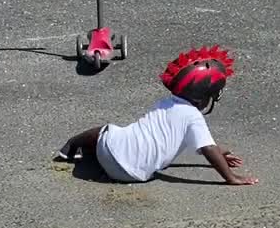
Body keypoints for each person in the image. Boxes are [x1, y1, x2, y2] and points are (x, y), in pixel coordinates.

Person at [61, 46, 257, 186]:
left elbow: (208, 147)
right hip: (133, 175)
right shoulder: (193, 117)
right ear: (206, 96)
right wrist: (231, 177)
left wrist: (222, 152)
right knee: (118, 140)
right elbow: (207, 148)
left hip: (109, 151)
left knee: (106, 130)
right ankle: (87, 154)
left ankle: (72, 145)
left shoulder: (165, 104)